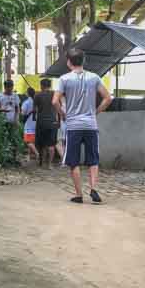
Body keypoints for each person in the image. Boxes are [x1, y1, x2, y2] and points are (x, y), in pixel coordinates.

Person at [52, 48, 113, 204]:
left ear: (69, 62)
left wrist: (63, 114)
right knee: (93, 160)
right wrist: (95, 112)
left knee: (73, 161)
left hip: (73, 125)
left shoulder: (64, 79)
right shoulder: (94, 77)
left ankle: (79, 195)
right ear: (83, 61)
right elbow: (108, 98)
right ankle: (93, 188)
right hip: (90, 125)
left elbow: (55, 101)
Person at [34, 78, 59, 168]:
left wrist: (34, 117)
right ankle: (50, 165)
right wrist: (58, 121)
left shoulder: (37, 95)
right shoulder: (55, 94)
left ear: (42, 86)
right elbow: (58, 108)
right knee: (51, 144)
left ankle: (42, 163)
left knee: (42, 144)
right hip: (53, 122)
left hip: (41, 122)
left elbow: (35, 109)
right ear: (50, 85)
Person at [0, 79, 20, 159]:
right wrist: (2, 110)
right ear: (5, 87)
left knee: (13, 138)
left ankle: (14, 157)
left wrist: (16, 120)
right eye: (8, 87)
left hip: (12, 121)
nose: (10, 89)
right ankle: (4, 156)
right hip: (2, 121)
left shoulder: (15, 96)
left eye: (11, 87)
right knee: (2, 138)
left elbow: (17, 109)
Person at [20, 87, 39, 163]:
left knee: (28, 141)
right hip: (36, 123)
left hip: (28, 124)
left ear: (27, 93)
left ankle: (37, 154)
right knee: (32, 141)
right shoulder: (37, 102)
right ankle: (28, 157)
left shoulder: (26, 102)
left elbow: (23, 113)